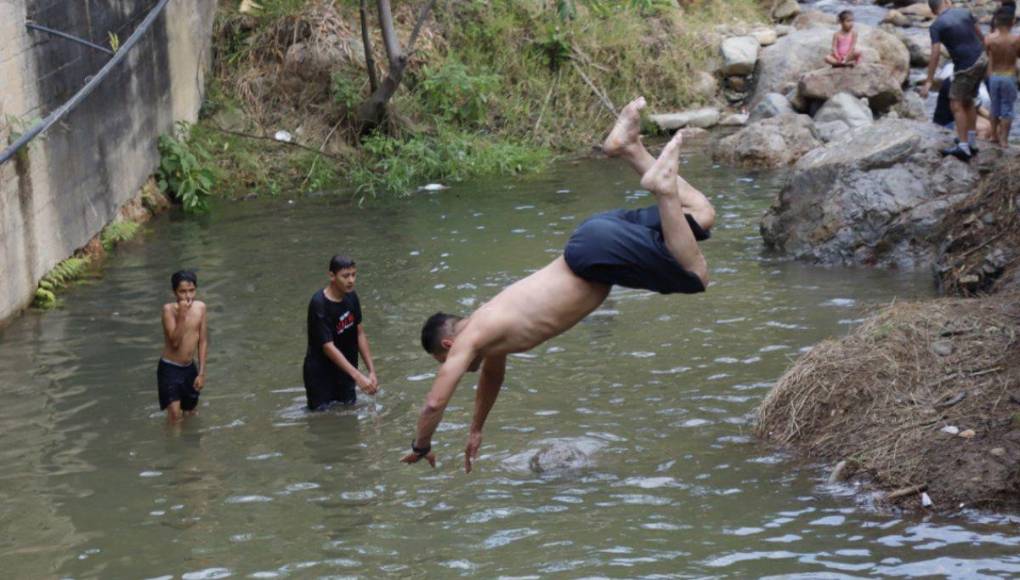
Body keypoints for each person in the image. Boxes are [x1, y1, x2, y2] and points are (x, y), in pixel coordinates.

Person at [401, 97, 716, 472]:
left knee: (696, 275)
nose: (454, 363)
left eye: (445, 358)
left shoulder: (472, 339)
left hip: (596, 255)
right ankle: (629, 149)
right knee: (700, 215)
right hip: (594, 242)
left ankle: (661, 186)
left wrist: (421, 446)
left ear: (449, 344)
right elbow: (492, 377)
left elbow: (434, 403)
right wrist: (476, 429)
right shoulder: (489, 331)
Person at [302, 255, 378, 411]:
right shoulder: (319, 304)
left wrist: (371, 371)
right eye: (345, 276)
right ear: (331, 276)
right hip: (320, 375)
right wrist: (358, 376)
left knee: (349, 415)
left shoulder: (351, 297)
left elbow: (359, 333)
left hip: (346, 371)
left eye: (353, 275)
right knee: (322, 420)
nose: (351, 280)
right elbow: (327, 347)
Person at [921, 0, 987, 161]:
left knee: (955, 104)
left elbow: (935, 54)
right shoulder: (964, 12)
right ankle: (971, 143)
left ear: (933, 11)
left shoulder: (936, 25)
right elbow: (981, 36)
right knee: (969, 100)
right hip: (982, 60)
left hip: (965, 66)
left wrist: (929, 80)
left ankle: (963, 147)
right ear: (945, 2)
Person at [158, 270, 208, 423]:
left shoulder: (201, 308)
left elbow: (203, 340)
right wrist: (182, 314)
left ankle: (191, 445)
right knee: (175, 416)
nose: (188, 296)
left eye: (191, 290)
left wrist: (201, 373)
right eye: (182, 292)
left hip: (189, 369)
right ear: (175, 292)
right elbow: (175, 342)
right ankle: (173, 444)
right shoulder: (168, 310)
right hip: (170, 369)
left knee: (191, 412)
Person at [986, 9, 1020, 146]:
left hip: (994, 76)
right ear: (1011, 23)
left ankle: (993, 135)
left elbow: (988, 58)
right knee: (1007, 108)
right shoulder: (1016, 40)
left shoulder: (989, 39)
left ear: (997, 23)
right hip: (1009, 76)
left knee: (994, 106)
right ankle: (1004, 139)